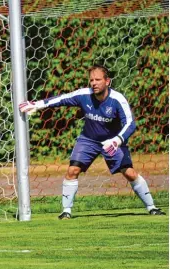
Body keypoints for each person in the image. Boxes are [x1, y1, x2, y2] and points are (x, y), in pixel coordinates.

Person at [19, 64, 166, 219]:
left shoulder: (117, 99)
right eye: (91, 80)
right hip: (88, 140)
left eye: (98, 80)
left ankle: (152, 207)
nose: (94, 83)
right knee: (72, 171)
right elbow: (62, 99)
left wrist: (117, 141)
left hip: (112, 142)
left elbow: (130, 124)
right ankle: (66, 212)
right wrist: (37, 104)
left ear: (107, 81)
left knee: (129, 173)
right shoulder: (84, 95)